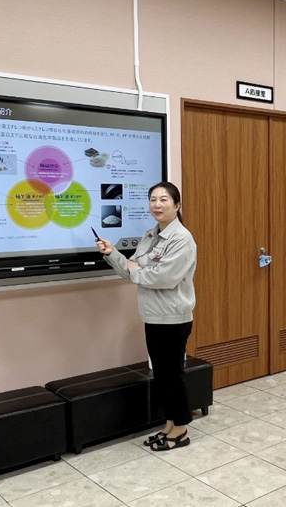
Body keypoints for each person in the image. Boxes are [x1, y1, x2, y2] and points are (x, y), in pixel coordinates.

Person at [95, 181, 196, 451]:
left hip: (173, 319)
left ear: (177, 205)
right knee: (162, 376)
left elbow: (162, 278)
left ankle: (181, 430)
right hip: (153, 317)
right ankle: (170, 424)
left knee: (173, 376)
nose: (157, 204)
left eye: (164, 199)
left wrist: (135, 271)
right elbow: (135, 268)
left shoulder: (182, 239)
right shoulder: (151, 235)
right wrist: (113, 254)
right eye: (153, 199)